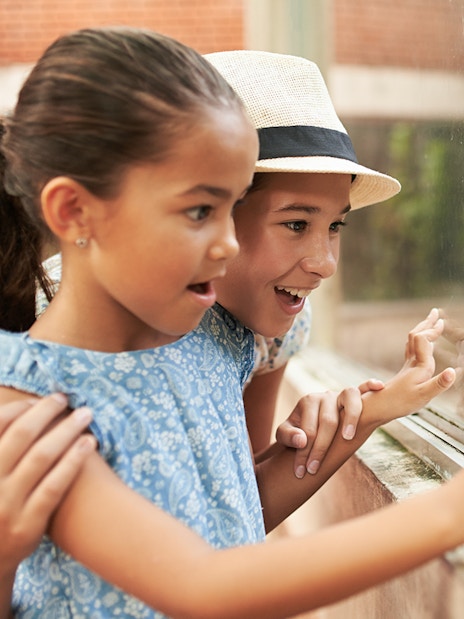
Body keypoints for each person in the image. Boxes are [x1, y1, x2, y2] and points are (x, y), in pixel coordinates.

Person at [0, 35, 461, 618]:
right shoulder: (28, 396)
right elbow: (203, 583)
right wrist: (448, 513)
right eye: (201, 211)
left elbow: (234, 514)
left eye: (228, 210)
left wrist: (369, 412)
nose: (224, 243)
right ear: (74, 213)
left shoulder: (227, 336)